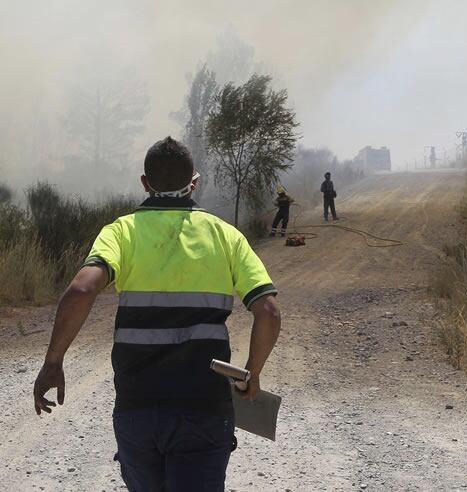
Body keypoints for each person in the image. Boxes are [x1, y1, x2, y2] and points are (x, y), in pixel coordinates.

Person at [33, 136, 281, 491]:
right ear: (194, 183)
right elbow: (269, 311)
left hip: (138, 406)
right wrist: (252, 374)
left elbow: (81, 290)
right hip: (205, 407)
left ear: (145, 184)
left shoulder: (121, 232)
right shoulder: (226, 236)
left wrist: (53, 361)